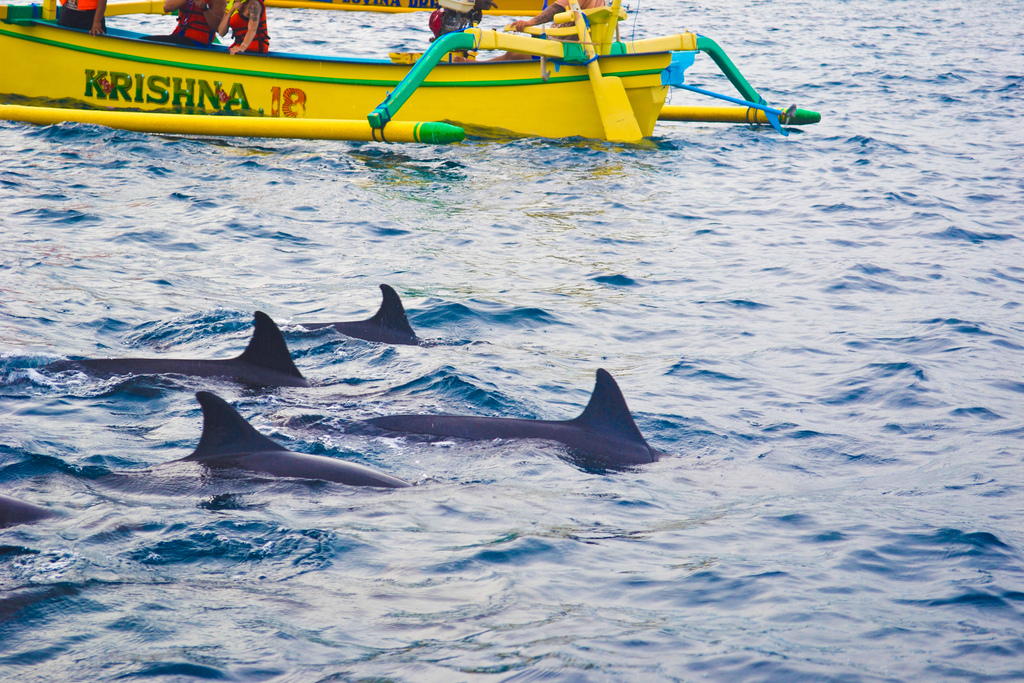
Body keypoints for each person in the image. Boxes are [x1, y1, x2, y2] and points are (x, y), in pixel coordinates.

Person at [489, 0, 606, 61]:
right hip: (569, 44)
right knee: (515, 50)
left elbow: (556, 8)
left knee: (513, 55)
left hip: (565, 50)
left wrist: (531, 22)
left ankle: (481, 70)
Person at [143, 0, 226, 48]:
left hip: (198, 42)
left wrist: (204, 8)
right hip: (179, 36)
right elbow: (167, 7)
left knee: (145, 42)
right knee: (144, 41)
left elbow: (217, 27)